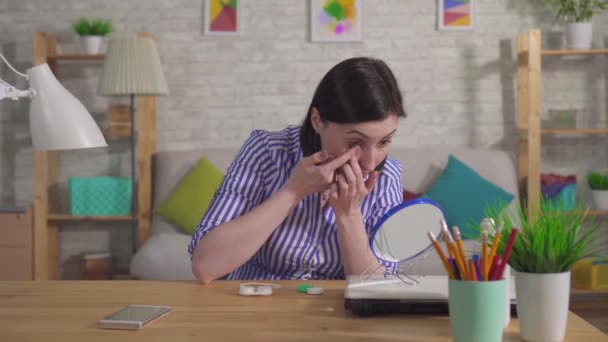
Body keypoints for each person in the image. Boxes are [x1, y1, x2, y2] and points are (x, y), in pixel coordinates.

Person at [189, 57, 407, 284]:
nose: (370, 163)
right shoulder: (267, 151)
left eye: (383, 142)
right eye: (355, 143)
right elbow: (205, 267)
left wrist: (348, 214)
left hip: (334, 314)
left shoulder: (386, 177)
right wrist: (293, 191)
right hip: (254, 304)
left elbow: (378, 288)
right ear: (317, 121)